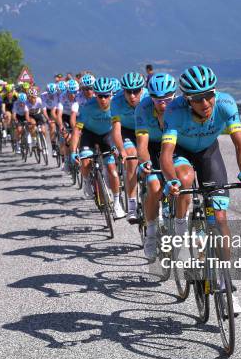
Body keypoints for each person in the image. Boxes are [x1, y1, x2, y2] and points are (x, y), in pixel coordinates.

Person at [160, 65, 241, 316]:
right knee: (184, 178)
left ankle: (225, 287)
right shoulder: (174, 110)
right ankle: (180, 228)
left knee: (221, 218)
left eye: (209, 95)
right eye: (198, 98)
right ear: (187, 100)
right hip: (182, 152)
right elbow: (166, 154)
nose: (205, 102)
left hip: (208, 153)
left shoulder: (226, 104)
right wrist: (170, 181)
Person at [134, 73, 178, 259]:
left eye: (168, 99)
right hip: (152, 146)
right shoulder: (143, 108)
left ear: (174, 96)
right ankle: (151, 233)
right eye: (157, 99)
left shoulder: (181, 107)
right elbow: (142, 145)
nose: (162, 104)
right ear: (150, 96)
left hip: (175, 145)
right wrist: (145, 163)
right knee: (154, 186)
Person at [70, 77, 125, 218]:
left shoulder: (116, 106)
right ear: (95, 95)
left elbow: (118, 130)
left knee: (112, 170)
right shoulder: (87, 107)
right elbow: (77, 130)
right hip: (89, 134)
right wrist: (73, 151)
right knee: (86, 162)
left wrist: (119, 148)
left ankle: (117, 204)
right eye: (100, 96)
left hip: (107, 135)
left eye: (106, 95)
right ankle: (87, 181)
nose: (103, 99)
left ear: (111, 94)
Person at [110, 72, 149, 223]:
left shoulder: (148, 98)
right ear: (123, 91)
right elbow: (116, 130)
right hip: (127, 132)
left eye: (136, 91)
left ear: (142, 89)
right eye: (128, 91)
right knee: (132, 158)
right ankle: (132, 204)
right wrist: (121, 151)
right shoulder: (116, 101)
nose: (132, 95)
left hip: (146, 130)